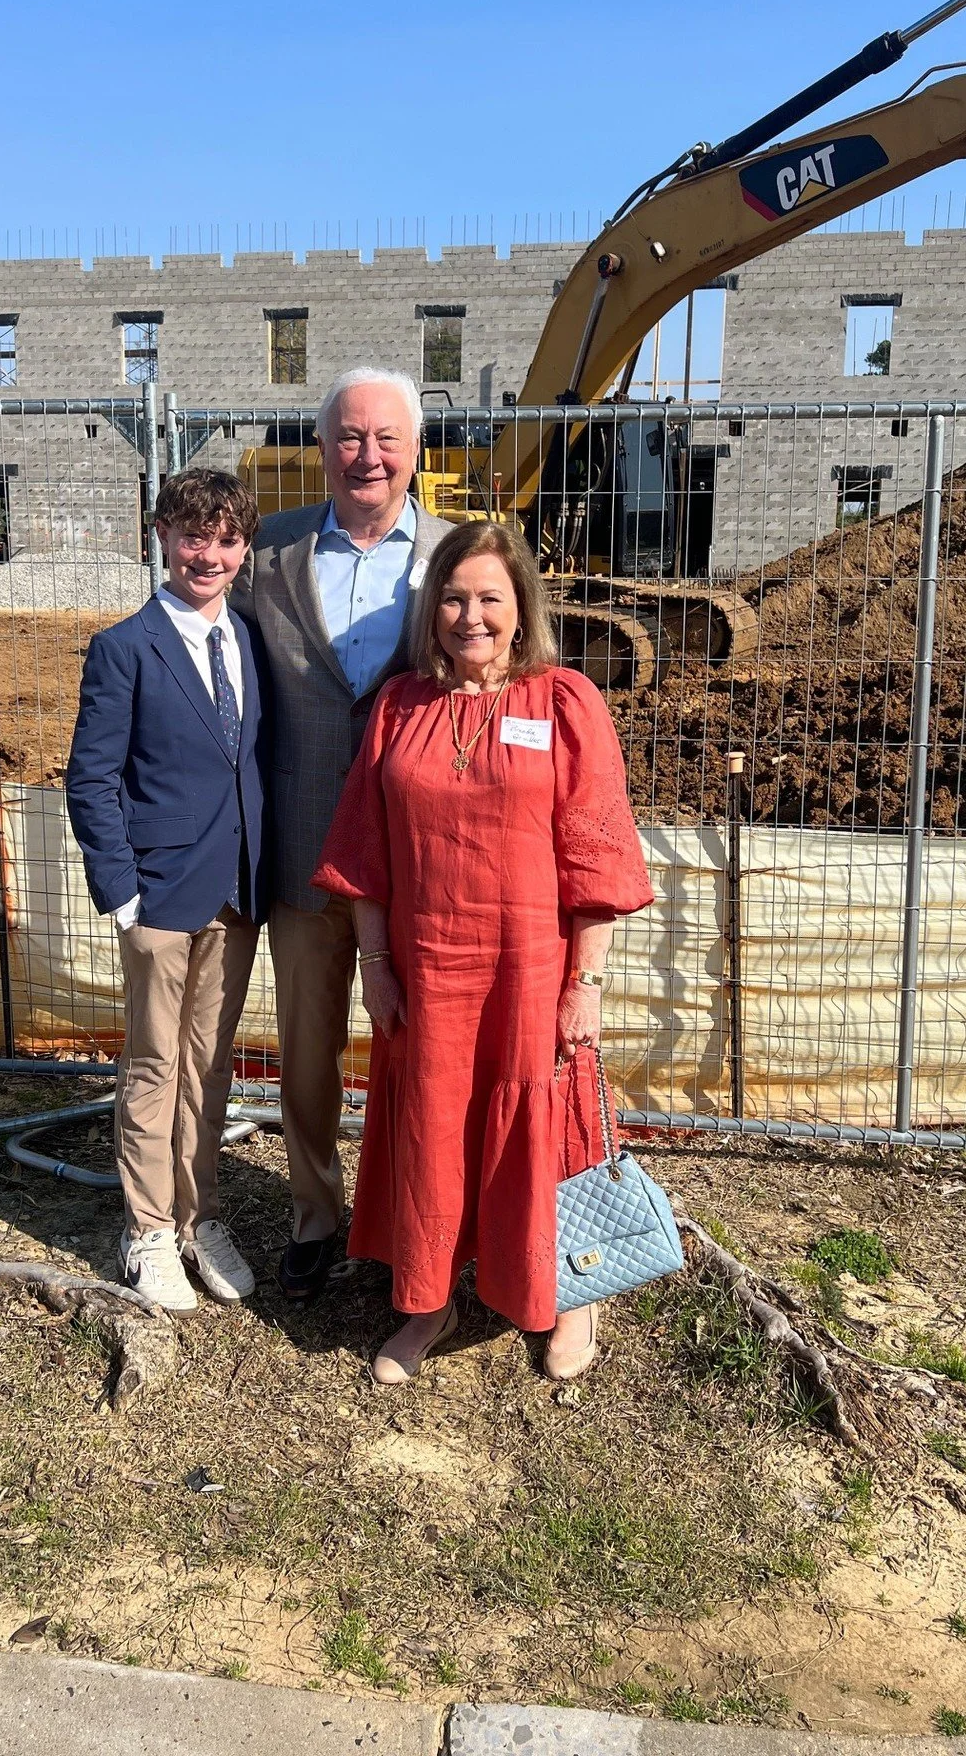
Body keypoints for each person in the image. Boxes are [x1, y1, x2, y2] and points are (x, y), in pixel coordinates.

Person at [310, 519, 654, 1383]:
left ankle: (571, 1292)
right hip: (429, 970)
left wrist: (588, 980)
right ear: (432, 612)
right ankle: (429, 1299)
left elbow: (597, 854)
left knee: (544, 1125)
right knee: (431, 1128)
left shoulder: (563, 702)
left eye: (490, 598)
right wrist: (378, 968)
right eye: (455, 598)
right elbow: (366, 856)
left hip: (531, 969)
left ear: (520, 607)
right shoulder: (400, 707)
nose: (472, 616)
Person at [236, 367, 452, 1301]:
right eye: (350, 438)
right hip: (305, 852)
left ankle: (424, 1224)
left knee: (430, 1050)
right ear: (322, 451)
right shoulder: (269, 552)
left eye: (386, 439)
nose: (368, 455)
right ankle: (317, 1214)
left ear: (415, 451)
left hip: (425, 862)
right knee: (309, 1048)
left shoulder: (457, 555)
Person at [66, 468, 268, 1313]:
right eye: (193, 536)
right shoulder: (126, 647)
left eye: (225, 539)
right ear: (161, 535)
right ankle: (146, 1229)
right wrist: (120, 891)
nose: (208, 554)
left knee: (209, 1067)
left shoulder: (250, 640)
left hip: (235, 891)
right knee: (153, 1064)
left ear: (243, 547)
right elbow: (92, 776)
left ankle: (200, 1216)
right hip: (156, 895)